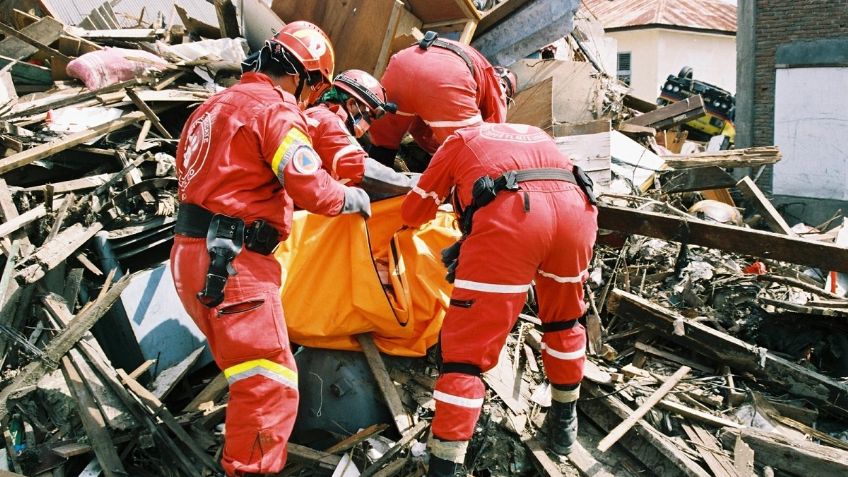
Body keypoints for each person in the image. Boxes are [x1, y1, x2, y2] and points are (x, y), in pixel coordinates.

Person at [170, 21, 371, 477]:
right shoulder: (274, 108)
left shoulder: (210, 107)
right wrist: (348, 197)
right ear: (302, 76)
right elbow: (309, 186)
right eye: (313, 86)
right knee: (270, 386)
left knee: (249, 379)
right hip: (235, 261)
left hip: (192, 255)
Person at [400, 123, 598, 476]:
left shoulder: (459, 140)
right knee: (565, 320)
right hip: (577, 215)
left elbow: (414, 212)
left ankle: (444, 465)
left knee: (465, 355)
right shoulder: (534, 133)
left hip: (513, 219)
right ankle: (564, 425)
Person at [367, 32, 516, 168]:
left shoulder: (478, 65)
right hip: (446, 77)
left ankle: (368, 184)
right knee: (474, 155)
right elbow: (492, 142)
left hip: (405, 61)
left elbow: (418, 127)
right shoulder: (499, 89)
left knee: (381, 142)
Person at [304, 69, 414, 197]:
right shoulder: (329, 122)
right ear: (351, 105)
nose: (368, 124)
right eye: (368, 116)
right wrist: (412, 183)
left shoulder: (318, 115)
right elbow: (360, 166)